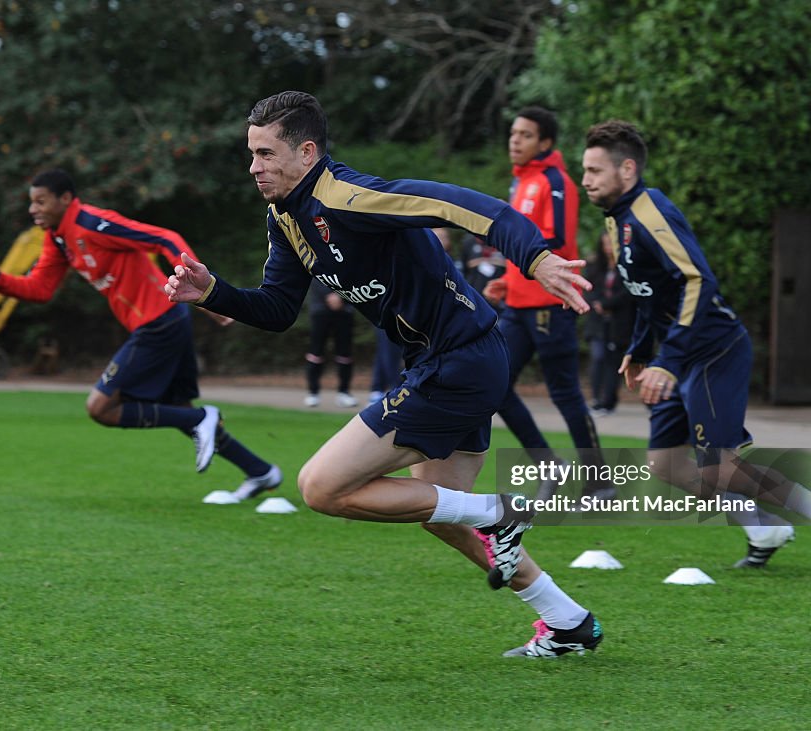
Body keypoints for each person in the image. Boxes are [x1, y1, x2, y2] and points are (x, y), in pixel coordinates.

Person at [166, 91, 603, 658]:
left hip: (460, 361)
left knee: (320, 487)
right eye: (251, 154)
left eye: (266, 153)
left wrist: (536, 258)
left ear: (305, 152)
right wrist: (214, 294)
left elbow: (468, 207)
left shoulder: (350, 195)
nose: (254, 167)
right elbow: (277, 308)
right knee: (439, 511)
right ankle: (567, 621)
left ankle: (501, 512)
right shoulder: (283, 215)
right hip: (450, 361)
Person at [581, 119, 811, 580]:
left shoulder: (651, 209)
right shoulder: (618, 221)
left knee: (718, 469)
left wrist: (669, 361)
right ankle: (764, 529)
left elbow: (698, 278)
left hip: (713, 349)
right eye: (585, 170)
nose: (586, 180)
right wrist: (639, 351)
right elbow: (646, 294)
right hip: (675, 355)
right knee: (669, 464)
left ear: (628, 169)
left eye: (595, 170)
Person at [0, 169, 281, 502]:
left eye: (41, 201)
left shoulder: (92, 223)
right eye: (31, 202)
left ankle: (203, 418)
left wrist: (204, 286)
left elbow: (164, 237)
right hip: (164, 320)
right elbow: (41, 288)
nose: (33, 209)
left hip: (159, 322)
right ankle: (260, 471)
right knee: (177, 409)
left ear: (64, 200)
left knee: (101, 407)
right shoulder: (58, 239)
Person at [482, 106, 610, 498]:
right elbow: (523, 246)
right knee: (493, 382)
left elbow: (549, 245)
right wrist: (506, 281)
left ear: (545, 143)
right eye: (513, 133)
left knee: (564, 392)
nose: (514, 140)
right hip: (516, 306)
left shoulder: (556, 181)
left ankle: (599, 480)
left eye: (525, 135)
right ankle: (548, 465)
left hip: (549, 306)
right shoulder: (519, 183)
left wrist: (519, 270)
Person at [584, 230, 636, 415]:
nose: (608, 248)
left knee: (613, 362)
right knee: (597, 357)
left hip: (619, 322)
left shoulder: (627, 267)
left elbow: (628, 292)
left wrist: (608, 304)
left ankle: (608, 401)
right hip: (598, 322)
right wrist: (596, 304)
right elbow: (588, 288)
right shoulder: (595, 266)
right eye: (605, 244)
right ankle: (596, 398)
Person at [304, 278, 358, 407]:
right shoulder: (315, 258)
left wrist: (341, 297)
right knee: (316, 352)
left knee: (345, 353)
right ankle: (313, 392)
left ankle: (344, 392)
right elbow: (314, 275)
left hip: (345, 309)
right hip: (320, 309)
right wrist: (329, 295)